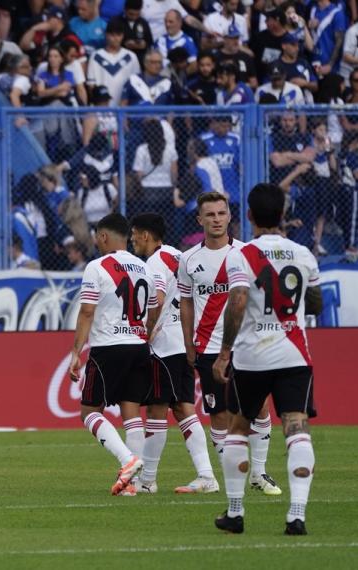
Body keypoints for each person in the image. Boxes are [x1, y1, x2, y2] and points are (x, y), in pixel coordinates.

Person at [212, 182, 322, 535]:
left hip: (252, 357)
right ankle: (297, 515)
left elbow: (239, 300)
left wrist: (225, 350)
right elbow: (317, 303)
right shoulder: (303, 253)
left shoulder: (241, 254)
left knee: (238, 429)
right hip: (294, 354)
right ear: (284, 213)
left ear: (248, 215)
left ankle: (235, 512)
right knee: (297, 429)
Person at [177, 191, 281, 495]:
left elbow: (265, 296)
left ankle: (258, 474)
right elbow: (185, 303)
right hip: (207, 347)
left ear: (230, 216)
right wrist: (187, 343)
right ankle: (231, 476)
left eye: (221, 213)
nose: (216, 219)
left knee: (260, 408)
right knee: (219, 414)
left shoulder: (248, 253)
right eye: (210, 215)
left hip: (246, 344)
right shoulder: (189, 259)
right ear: (200, 219)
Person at [68, 213, 156, 496]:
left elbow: (87, 311)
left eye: (96, 238)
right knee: (131, 413)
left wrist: (75, 353)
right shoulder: (144, 268)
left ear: (103, 237)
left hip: (109, 347)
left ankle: (127, 460)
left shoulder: (97, 267)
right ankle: (136, 484)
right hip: (140, 345)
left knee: (89, 412)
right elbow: (154, 308)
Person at [130, 213, 218, 494]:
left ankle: (147, 480)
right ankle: (206, 476)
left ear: (145, 235)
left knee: (157, 408)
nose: (132, 240)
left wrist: (147, 332)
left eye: (134, 234)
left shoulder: (154, 262)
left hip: (166, 344)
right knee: (182, 408)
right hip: (185, 341)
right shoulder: (179, 256)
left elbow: (155, 298)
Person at [87, 17, 140, 106]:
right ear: (106, 35)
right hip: (102, 108)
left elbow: (136, 85)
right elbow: (91, 85)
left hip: (124, 108)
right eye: (112, 35)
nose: (115, 38)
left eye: (118, 35)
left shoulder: (131, 57)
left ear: (123, 36)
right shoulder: (96, 56)